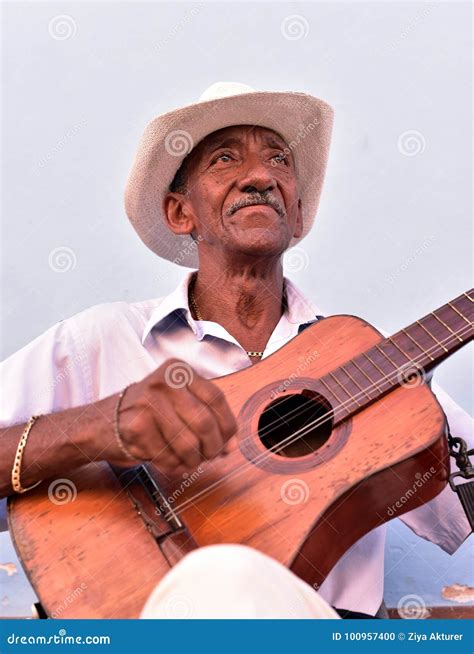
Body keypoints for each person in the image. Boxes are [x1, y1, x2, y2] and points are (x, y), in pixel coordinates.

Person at [0, 82, 471, 619]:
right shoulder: (100, 342)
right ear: (181, 213)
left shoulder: (371, 360)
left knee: (233, 578)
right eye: (226, 158)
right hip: (143, 631)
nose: (261, 176)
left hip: (325, 633)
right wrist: (99, 425)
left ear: (295, 216)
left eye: (279, 161)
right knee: (224, 577)